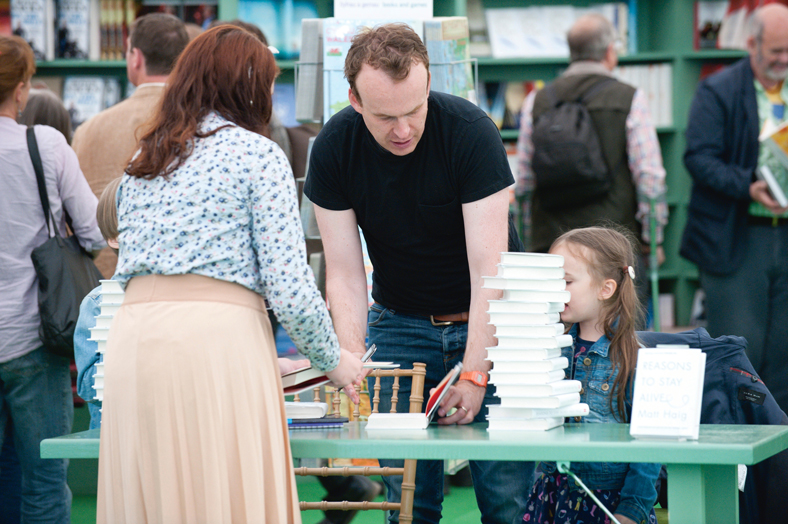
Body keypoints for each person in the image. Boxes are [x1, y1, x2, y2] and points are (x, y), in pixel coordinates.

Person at [96, 25, 364, 523]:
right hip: (216, 344)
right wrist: (333, 359)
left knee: (153, 495)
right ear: (246, 86)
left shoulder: (145, 159)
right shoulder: (257, 155)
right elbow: (289, 285)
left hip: (135, 341)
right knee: (223, 492)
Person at [304, 23, 532, 524]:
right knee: (407, 505)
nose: (403, 130)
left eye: (414, 110)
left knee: (507, 502)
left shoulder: (471, 132)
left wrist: (476, 372)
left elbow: (489, 271)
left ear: (429, 86)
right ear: (355, 100)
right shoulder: (333, 148)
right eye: (386, 116)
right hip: (400, 323)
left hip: (495, 321)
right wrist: (350, 361)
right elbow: (343, 273)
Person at [0, 34, 105, 523]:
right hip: (34, 335)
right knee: (43, 476)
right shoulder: (44, 145)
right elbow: (92, 230)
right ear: (21, 90)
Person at [516, 13, 668, 305]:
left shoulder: (537, 99)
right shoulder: (629, 98)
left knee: (553, 336)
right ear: (610, 51)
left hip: (552, 244)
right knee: (620, 336)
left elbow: (523, 182)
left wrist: (529, 240)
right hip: (615, 244)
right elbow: (649, 177)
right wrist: (652, 237)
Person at [681, 3, 788, 413]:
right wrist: (748, 185)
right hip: (737, 241)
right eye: (775, 50)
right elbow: (698, 158)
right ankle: (740, 469)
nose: (782, 60)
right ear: (751, 45)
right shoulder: (719, 90)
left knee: (782, 359)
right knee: (740, 360)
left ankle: (778, 472)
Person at [522, 226, 660, 524]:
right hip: (552, 495)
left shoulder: (635, 357)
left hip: (608, 502)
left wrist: (631, 511)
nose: (555, 289)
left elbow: (651, 445)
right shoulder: (549, 349)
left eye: (567, 281)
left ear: (606, 289)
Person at [71, 13, 189, 278]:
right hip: (177, 284)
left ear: (136, 57)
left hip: (103, 282)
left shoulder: (89, 129)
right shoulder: (202, 125)